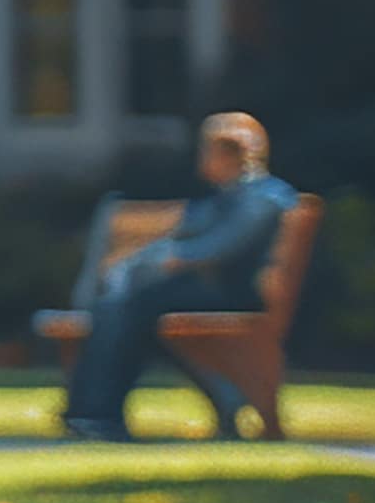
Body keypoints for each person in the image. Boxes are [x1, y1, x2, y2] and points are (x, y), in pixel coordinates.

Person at [59, 110, 299, 438]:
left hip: (229, 296)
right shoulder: (235, 196)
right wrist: (149, 259)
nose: (202, 161)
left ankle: (95, 414)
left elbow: (219, 247)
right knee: (123, 307)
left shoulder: (262, 198)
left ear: (228, 155)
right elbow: (188, 231)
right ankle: (93, 414)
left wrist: (169, 259)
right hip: (211, 291)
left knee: (129, 307)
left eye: (207, 152)